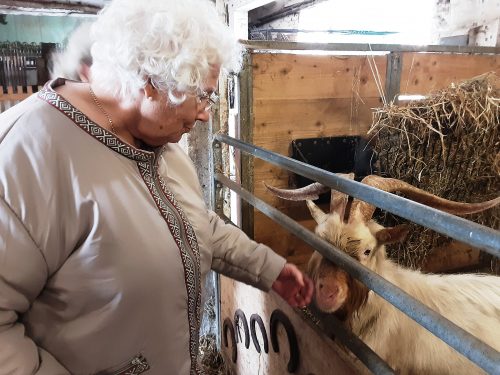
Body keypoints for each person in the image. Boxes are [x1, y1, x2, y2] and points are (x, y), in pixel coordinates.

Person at [0, 0, 314, 374]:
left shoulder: (162, 147)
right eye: (202, 95)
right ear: (150, 82)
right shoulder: (28, 154)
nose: (204, 112)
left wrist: (270, 269)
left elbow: (196, 224)